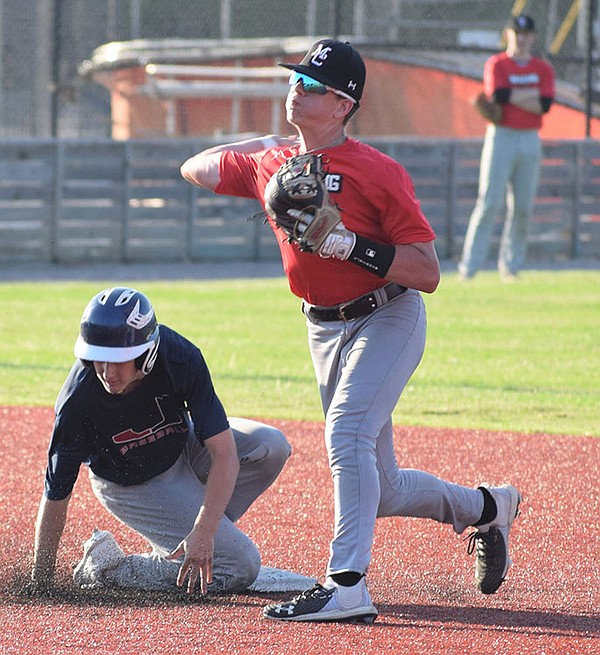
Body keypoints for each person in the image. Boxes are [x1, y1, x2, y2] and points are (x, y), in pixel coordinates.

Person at [180, 38, 521, 623]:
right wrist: (267, 150)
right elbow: (195, 167)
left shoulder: (377, 171)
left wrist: (351, 245)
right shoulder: (275, 162)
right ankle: (490, 506)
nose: (297, 89)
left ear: (343, 105)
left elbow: (427, 271)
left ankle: (346, 584)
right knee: (381, 487)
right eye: (295, 80)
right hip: (322, 328)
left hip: (387, 314)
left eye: (312, 85)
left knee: (345, 434)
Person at [30, 286, 301, 596]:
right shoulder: (77, 400)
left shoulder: (180, 356)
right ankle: (105, 570)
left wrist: (206, 529)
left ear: (147, 354)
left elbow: (223, 452)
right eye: (97, 358)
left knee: (271, 445)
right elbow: (56, 495)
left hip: (180, 446)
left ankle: (197, 540)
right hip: (132, 482)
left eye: (119, 359)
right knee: (241, 566)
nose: (107, 372)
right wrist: (41, 583)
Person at [459, 14, 555, 281]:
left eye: (526, 34)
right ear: (508, 35)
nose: (521, 38)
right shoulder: (498, 63)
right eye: (516, 33)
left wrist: (513, 95)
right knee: (489, 202)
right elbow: (498, 96)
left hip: (529, 138)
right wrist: (528, 96)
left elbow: (545, 105)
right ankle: (470, 267)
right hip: (502, 136)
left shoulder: (542, 68)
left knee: (522, 206)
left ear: (533, 37)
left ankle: (511, 267)